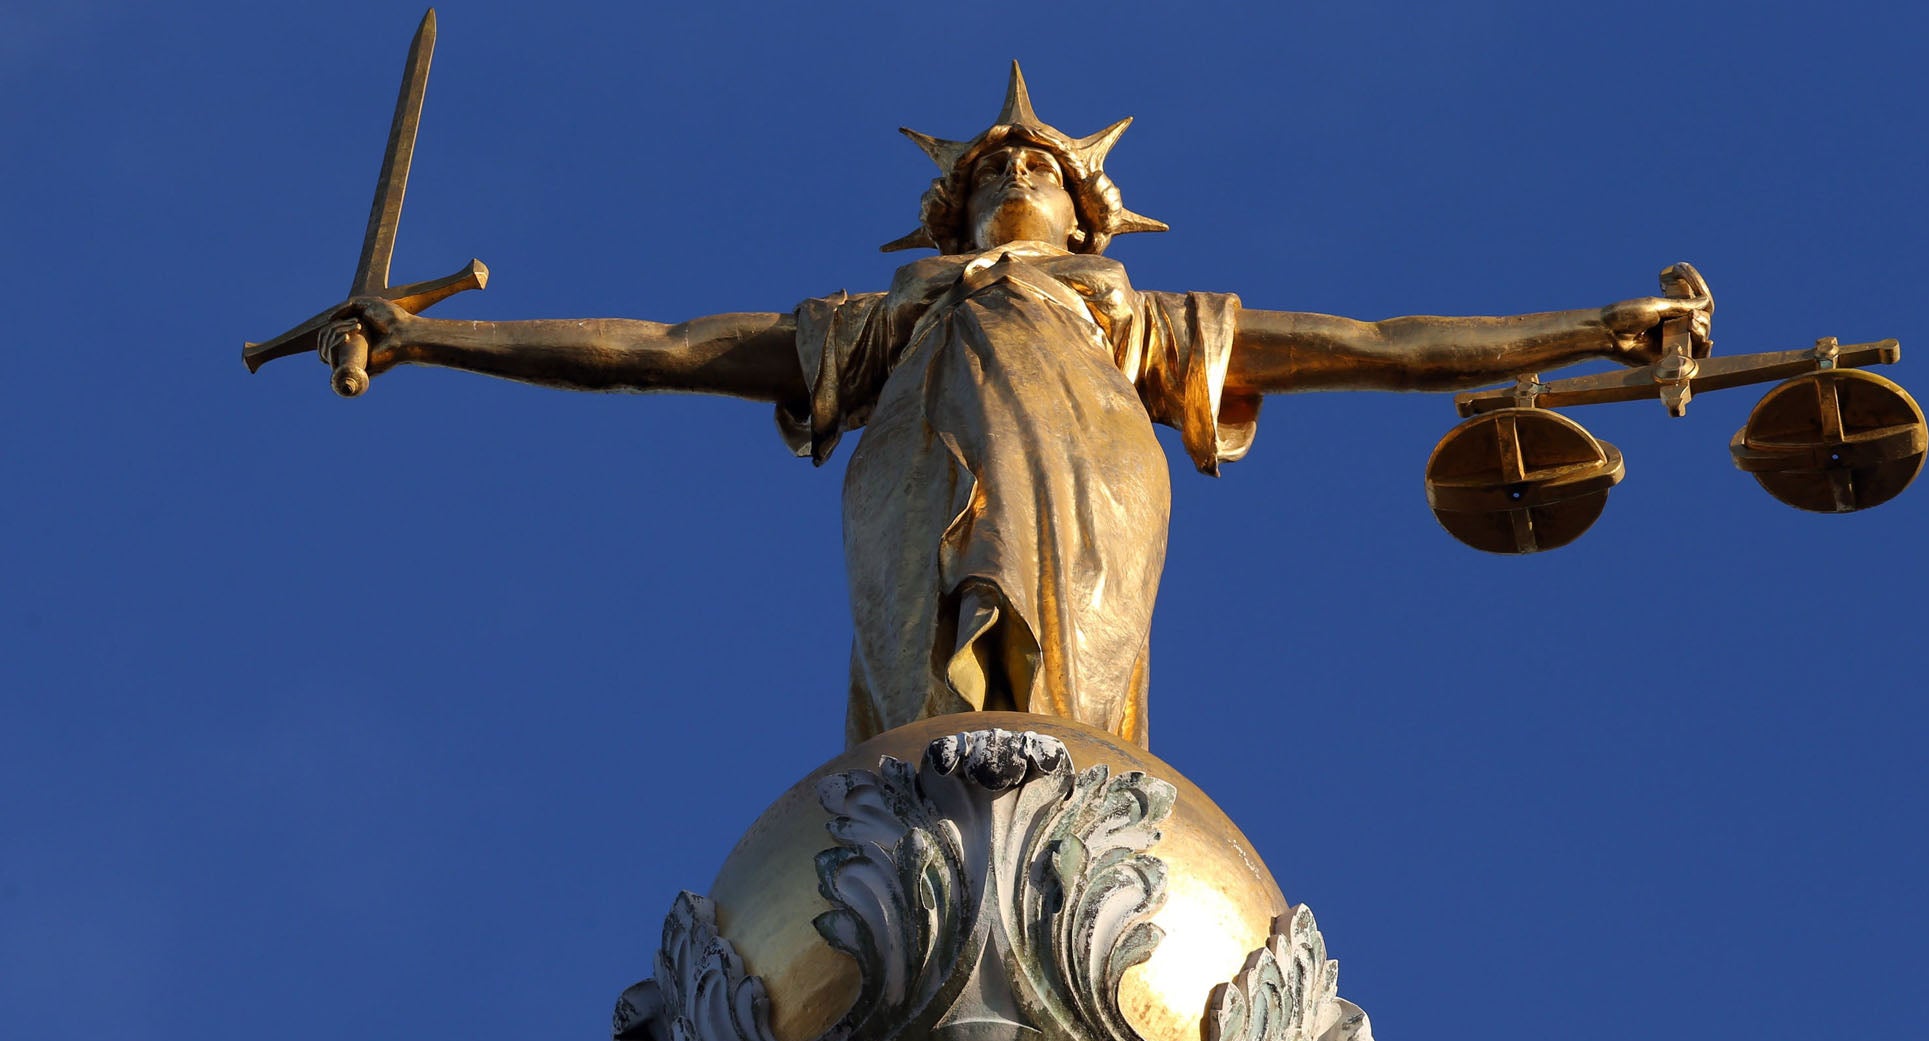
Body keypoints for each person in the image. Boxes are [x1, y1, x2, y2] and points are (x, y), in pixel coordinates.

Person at [327, 65, 1711, 749]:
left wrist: (1597, 325)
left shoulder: (1129, 318)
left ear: (1089, 210)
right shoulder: (888, 320)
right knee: (932, 705)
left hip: (1093, 482)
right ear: (949, 207)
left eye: (1036, 165)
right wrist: (439, 346)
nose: (1012, 168)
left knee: (1065, 726)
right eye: (991, 165)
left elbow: (1376, 341)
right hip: (921, 485)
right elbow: (665, 349)